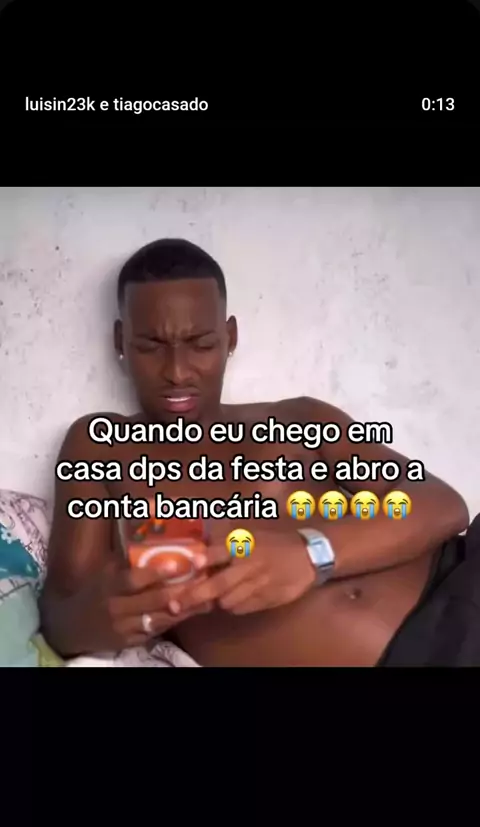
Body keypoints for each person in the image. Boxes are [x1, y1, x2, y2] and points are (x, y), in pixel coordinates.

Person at [40, 238, 472, 667]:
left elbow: (442, 504)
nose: (177, 372)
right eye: (150, 346)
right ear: (121, 340)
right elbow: (61, 615)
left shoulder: (300, 418)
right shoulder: (101, 445)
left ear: (229, 337)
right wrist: (102, 618)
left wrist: (310, 554)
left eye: (201, 344)